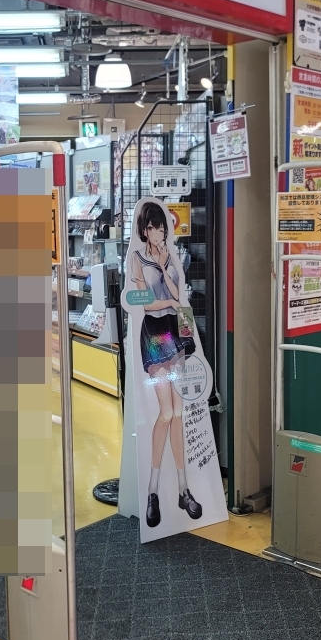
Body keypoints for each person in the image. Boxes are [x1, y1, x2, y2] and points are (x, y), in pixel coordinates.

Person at [129, 200, 202, 528]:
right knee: (167, 411)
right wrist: (169, 298)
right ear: (144, 229)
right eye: (153, 227)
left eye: (161, 227)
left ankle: (183, 489)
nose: (158, 232)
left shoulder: (170, 256)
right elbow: (145, 304)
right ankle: (153, 490)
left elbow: (178, 294)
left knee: (179, 412)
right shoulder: (136, 258)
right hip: (156, 335)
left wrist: (163, 267)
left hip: (177, 332)